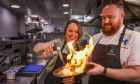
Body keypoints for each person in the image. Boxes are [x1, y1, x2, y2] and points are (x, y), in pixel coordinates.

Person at [87, 3, 140, 84]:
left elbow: (137, 74)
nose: (106, 21)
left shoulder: (133, 37)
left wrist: (103, 71)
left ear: (122, 16)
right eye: (103, 18)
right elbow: (89, 61)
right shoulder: (95, 38)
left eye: (110, 17)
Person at [33, 19, 83, 84]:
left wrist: (75, 79)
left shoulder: (81, 49)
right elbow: (36, 48)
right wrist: (46, 55)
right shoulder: (58, 44)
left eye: (76, 31)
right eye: (70, 31)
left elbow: (83, 70)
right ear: (65, 33)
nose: (73, 34)